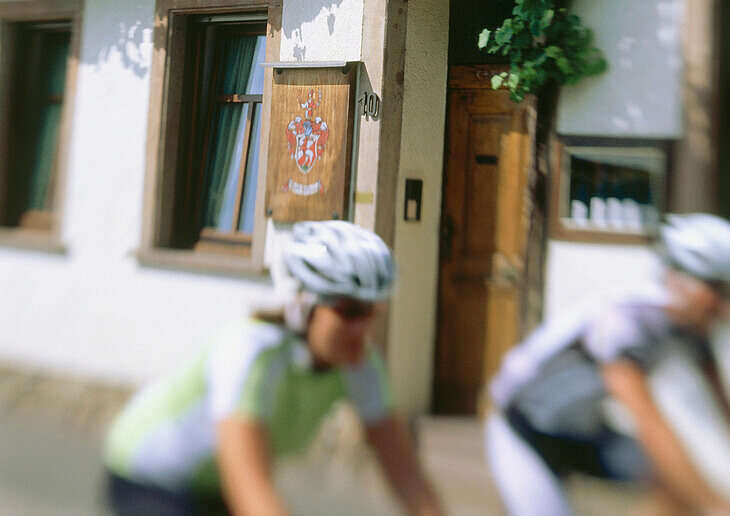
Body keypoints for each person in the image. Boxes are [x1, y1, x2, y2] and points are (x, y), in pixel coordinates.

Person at [104, 219, 447, 516]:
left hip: (214, 486)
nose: (363, 327)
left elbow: (406, 474)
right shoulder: (253, 353)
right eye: (349, 310)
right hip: (150, 478)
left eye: (373, 310)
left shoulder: (360, 363)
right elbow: (249, 482)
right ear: (304, 304)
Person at [485, 213, 730, 516]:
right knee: (676, 472)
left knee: (673, 483)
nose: (725, 307)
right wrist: (713, 505)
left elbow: (725, 412)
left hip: (578, 430)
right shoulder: (625, 320)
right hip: (522, 430)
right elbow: (649, 421)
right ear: (684, 281)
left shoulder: (693, 331)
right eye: (720, 291)